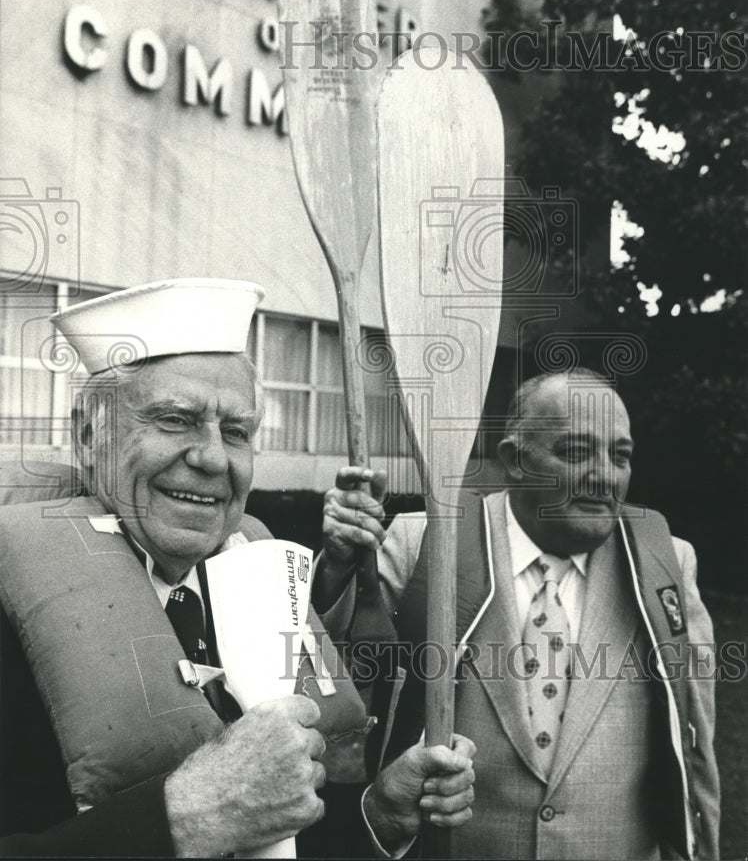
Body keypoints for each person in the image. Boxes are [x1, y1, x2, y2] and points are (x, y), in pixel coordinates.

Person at [0, 279, 475, 858]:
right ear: (88, 436)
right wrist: (180, 820)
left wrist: (377, 817)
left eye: (236, 432)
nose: (212, 459)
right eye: (174, 420)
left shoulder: (262, 586)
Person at [315, 367, 721, 860]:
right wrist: (339, 564)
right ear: (514, 459)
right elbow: (326, 673)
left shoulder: (665, 561)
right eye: (575, 452)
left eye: (621, 455)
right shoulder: (427, 541)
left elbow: (695, 746)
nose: (604, 475)